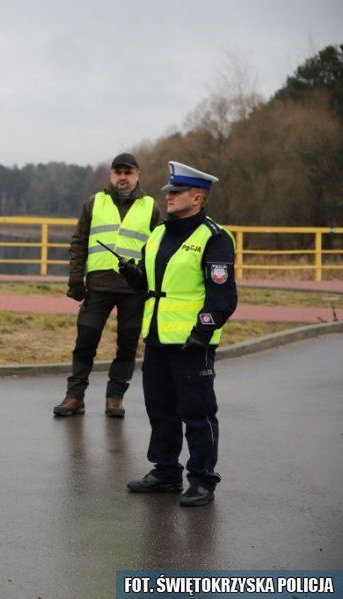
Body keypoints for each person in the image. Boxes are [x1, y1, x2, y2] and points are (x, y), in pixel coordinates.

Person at [121, 161, 237, 507]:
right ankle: (166, 472)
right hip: (156, 339)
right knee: (160, 410)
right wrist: (133, 275)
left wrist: (201, 334)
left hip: (192, 343)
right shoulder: (157, 234)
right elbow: (151, 284)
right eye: (168, 192)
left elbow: (223, 297)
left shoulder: (214, 238)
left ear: (198, 197)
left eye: (176, 192)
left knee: (198, 413)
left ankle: (202, 479)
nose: (168, 197)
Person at [54, 153, 160, 418]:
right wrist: (76, 279)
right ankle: (75, 396)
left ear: (137, 175)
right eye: (118, 172)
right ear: (111, 175)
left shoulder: (151, 207)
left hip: (133, 290)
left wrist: (150, 285)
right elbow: (79, 242)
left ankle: (115, 396)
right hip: (98, 287)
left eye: (128, 173)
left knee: (127, 345)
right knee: (85, 342)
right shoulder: (94, 203)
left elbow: (158, 250)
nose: (122, 178)